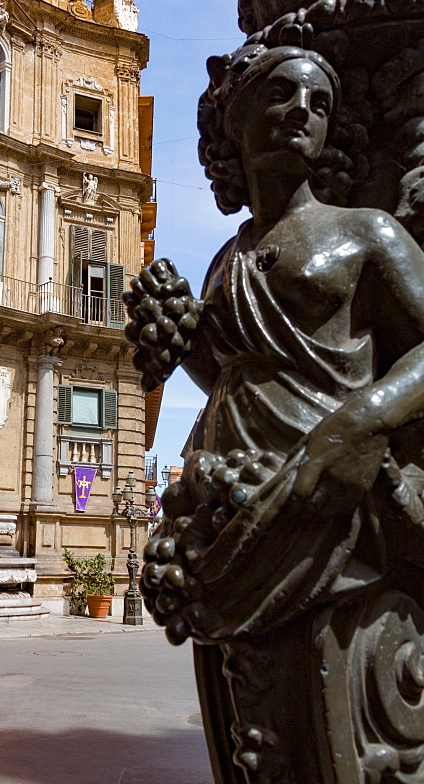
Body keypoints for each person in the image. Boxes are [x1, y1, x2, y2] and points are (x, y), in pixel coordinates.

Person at [125, 44, 424, 643]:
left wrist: (363, 421)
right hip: (231, 494)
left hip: (327, 490)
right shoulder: (224, 263)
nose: (301, 111)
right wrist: (184, 343)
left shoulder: (367, 232)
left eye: (318, 103)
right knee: (247, 709)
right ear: (237, 121)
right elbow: (236, 381)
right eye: (281, 94)